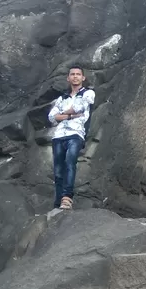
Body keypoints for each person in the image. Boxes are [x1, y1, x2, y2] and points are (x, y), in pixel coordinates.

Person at [47, 66, 96, 210]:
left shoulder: (88, 93)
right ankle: (58, 203)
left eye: (78, 74)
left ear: (83, 78)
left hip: (76, 134)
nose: (75, 76)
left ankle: (67, 198)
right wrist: (69, 115)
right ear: (68, 78)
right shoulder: (61, 98)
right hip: (58, 136)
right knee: (57, 170)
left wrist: (62, 114)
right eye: (72, 74)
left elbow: (80, 107)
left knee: (70, 162)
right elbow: (51, 117)